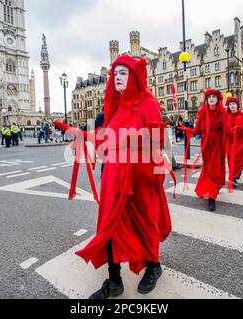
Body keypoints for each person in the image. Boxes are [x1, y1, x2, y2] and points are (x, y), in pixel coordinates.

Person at [54, 56, 173, 299]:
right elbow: (104, 135)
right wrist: (79, 133)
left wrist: (126, 141)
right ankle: (114, 279)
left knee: (146, 223)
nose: (117, 77)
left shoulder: (148, 104)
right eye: (115, 73)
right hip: (114, 173)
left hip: (140, 176)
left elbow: (156, 141)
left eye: (123, 73)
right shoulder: (116, 105)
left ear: (134, 77)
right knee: (108, 224)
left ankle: (154, 266)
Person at [177, 89, 233, 212]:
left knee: (216, 169)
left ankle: (212, 197)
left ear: (218, 99)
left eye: (214, 97)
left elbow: (227, 130)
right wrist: (185, 129)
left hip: (218, 147)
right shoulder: (202, 114)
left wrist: (233, 131)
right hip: (207, 148)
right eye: (209, 97)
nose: (211, 99)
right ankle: (212, 189)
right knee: (209, 170)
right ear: (206, 100)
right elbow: (196, 131)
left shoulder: (222, 114)